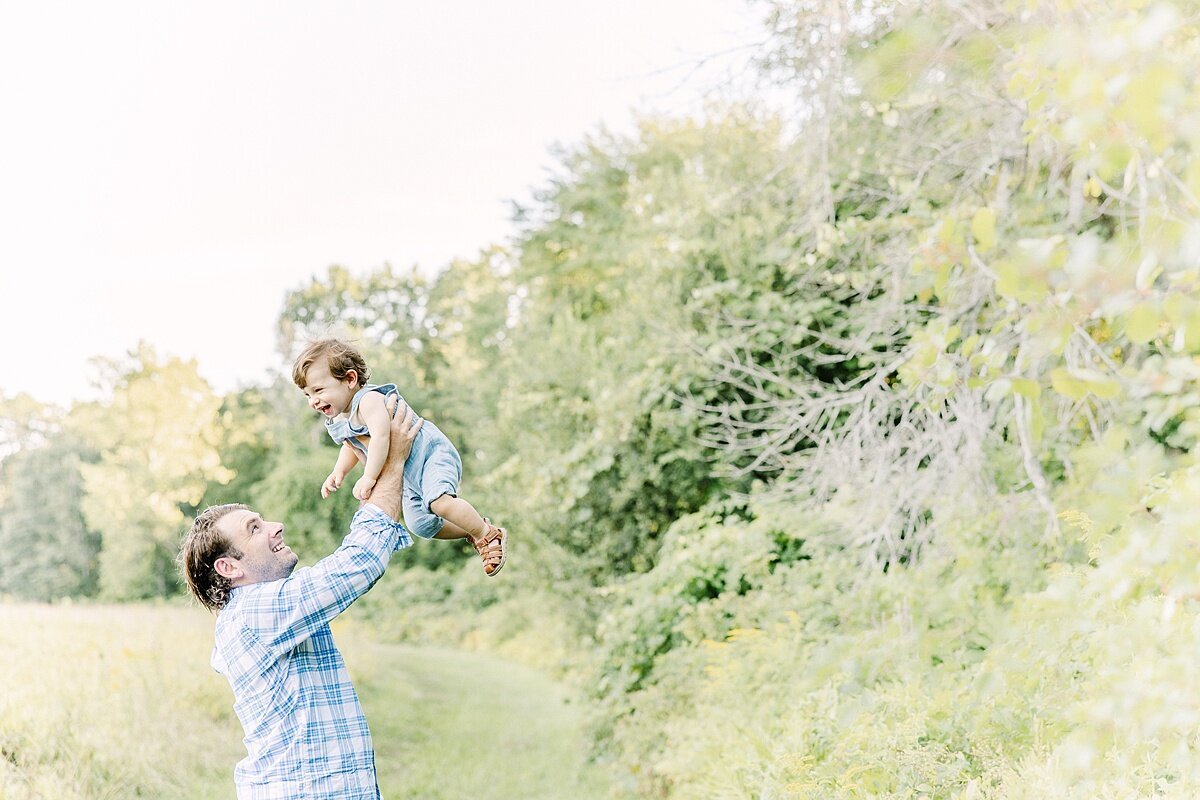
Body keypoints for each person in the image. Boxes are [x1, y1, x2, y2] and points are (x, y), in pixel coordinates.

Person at [179, 399, 420, 799]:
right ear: (229, 568)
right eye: (254, 528)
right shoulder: (254, 614)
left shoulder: (262, 611)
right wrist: (392, 464)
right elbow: (357, 564)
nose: (276, 526)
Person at [291, 337, 507, 577]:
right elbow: (351, 446)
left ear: (350, 379)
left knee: (439, 503)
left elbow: (382, 437)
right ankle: (472, 526)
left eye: (319, 390)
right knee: (421, 525)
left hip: (430, 456)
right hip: (409, 476)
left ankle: (487, 534)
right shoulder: (343, 418)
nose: (313, 401)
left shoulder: (368, 401)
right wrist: (338, 472)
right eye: (308, 395)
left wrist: (369, 477)